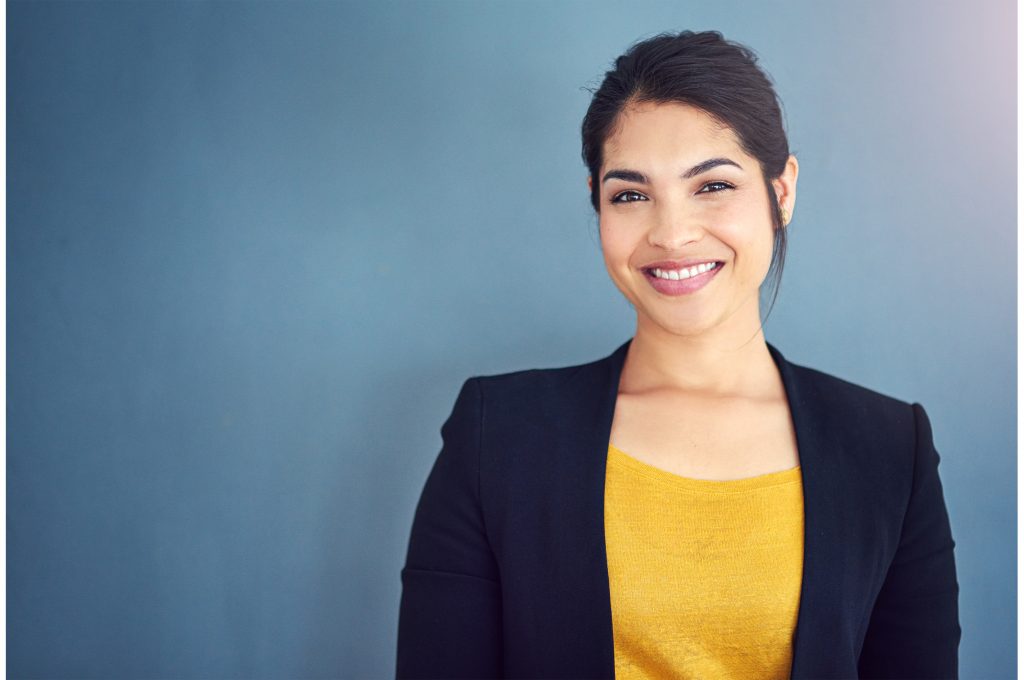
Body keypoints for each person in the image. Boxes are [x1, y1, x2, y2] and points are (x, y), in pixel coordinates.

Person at [396, 30, 960, 679]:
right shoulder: (496, 434)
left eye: (712, 185)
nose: (671, 234)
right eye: (630, 195)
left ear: (781, 192)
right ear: (597, 203)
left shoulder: (891, 450)